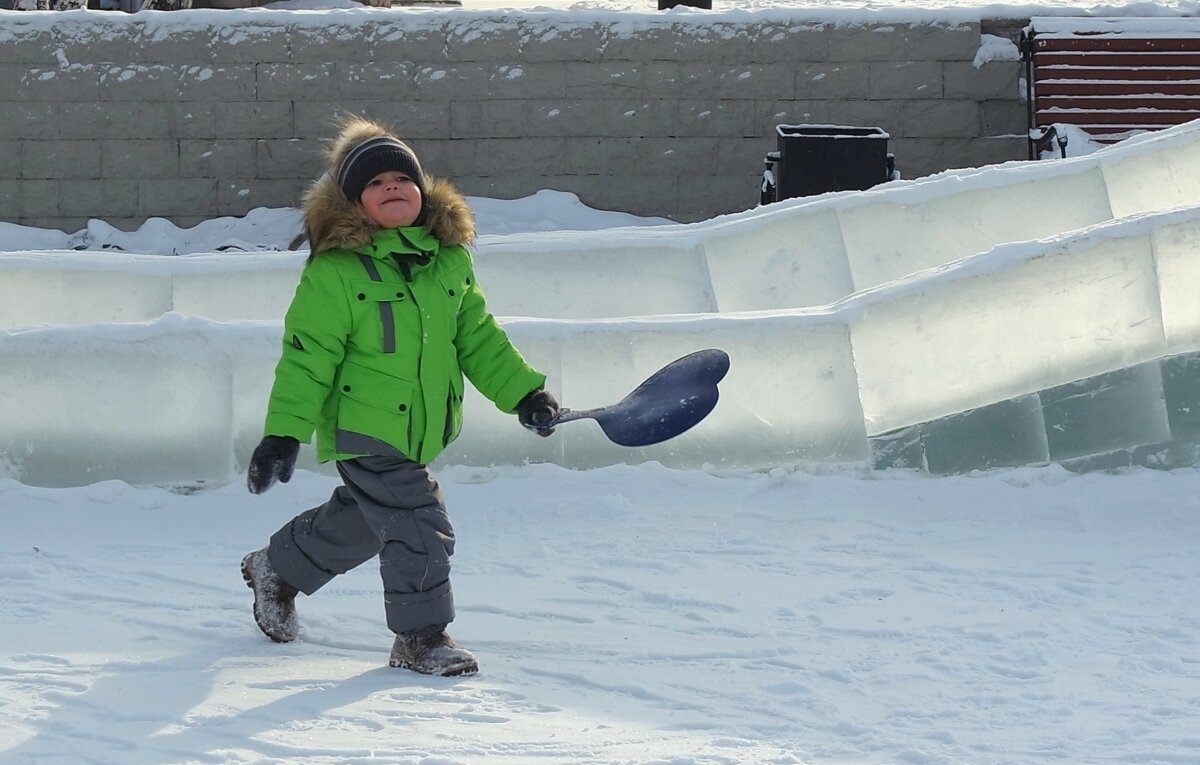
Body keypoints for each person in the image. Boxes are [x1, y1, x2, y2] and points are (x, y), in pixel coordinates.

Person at [241, 116, 559, 677]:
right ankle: (420, 636)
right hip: (364, 425)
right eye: (374, 182)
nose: (391, 186)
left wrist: (525, 394)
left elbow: (478, 338)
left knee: (370, 520)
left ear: (424, 192)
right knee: (416, 520)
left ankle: (279, 567)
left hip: (419, 428)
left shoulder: (449, 263)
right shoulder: (336, 272)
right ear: (354, 203)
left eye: (401, 178)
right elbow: (308, 355)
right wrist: (285, 431)